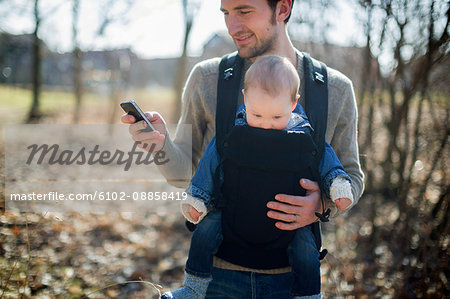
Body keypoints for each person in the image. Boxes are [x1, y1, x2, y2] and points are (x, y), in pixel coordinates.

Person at [122, 0, 364, 297]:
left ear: (283, 9)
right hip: (217, 276)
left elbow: (351, 176)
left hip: (292, 279)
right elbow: (185, 174)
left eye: (244, 11)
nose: (232, 26)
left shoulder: (333, 89)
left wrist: (322, 205)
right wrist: (160, 145)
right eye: (226, 13)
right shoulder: (207, 79)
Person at [161, 55, 354, 299]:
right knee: (204, 230)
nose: (265, 125)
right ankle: (193, 288)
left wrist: (335, 188)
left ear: (293, 104)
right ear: (245, 98)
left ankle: (308, 295)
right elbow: (212, 159)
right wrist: (198, 195)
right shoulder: (235, 127)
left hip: (290, 227)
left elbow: (327, 157)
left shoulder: (305, 131)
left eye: (276, 118)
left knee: (307, 249)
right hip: (231, 224)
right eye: (257, 116)